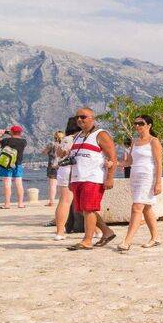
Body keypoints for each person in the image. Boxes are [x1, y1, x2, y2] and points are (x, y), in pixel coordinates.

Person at [66, 107, 117, 250]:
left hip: (93, 178)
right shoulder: (77, 136)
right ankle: (107, 232)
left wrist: (110, 178)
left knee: (88, 209)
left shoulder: (101, 135)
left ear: (92, 118)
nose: (79, 119)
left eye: (83, 117)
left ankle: (87, 241)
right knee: (83, 209)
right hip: (78, 178)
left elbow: (112, 157)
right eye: (77, 117)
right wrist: (70, 179)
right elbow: (74, 159)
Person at [117, 114, 163, 250]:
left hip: (147, 177)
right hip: (135, 177)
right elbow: (129, 162)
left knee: (137, 207)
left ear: (149, 125)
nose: (137, 126)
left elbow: (159, 163)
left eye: (141, 123)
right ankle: (156, 237)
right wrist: (115, 163)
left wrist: (158, 182)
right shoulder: (134, 142)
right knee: (146, 208)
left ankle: (127, 241)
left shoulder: (154, 141)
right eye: (135, 123)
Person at [51, 117, 80, 240]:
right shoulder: (79, 138)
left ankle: (59, 232)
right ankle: (96, 230)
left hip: (63, 170)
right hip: (76, 170)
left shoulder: (65, 139)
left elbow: (59, 155)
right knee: (83, 201)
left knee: (64, 201)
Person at [0, 125, 28, 208]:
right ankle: (20, 204)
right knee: (19, 183)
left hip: (6, 164)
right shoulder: (23, 142)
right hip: (18, 164)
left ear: (11, 132)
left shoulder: (6, 140)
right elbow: (16, 138)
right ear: (20, 133)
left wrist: (0, 135)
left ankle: (7, 204)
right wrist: (12, 134)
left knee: (7, 183)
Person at [43, 131, 62, 208]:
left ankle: (51, 202)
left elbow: (44, 152)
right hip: (62, 165)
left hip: (52, 166)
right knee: (63, 184)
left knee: (52, 185)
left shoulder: (51, 144)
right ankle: (62, 200)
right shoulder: (64, 144)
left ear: (55, 137)